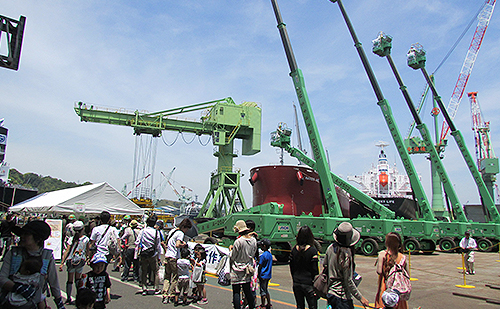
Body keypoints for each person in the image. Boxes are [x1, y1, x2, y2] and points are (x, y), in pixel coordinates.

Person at [0, 220, 66, 309]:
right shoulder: (13, 253)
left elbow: (53, 282)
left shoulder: (46, 256)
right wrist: (19, 288)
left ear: (38, 239)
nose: (22, 237)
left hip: (34, 304)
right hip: (10, 303)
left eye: (26, 234)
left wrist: (59, 304)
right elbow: (2, 278)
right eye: (22, 234)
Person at [324, 222, 369, 309]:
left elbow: (325, 264)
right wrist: (360, 297)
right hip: (342, 296)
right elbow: (348, 281)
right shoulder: (346, 255)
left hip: (331, 293)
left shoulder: (330, 248)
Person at [375, 232, 409, 309]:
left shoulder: (382, 254)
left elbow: (379, 271)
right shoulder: (403, 257)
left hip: (385, 287)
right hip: (399, 289)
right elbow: (408, 275)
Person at [162, 218, 192, 304]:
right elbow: (177, 244)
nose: (186, 231)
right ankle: (171, 295)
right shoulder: (180, 233)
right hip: (174, 257)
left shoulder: (172, 231)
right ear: (185, 227)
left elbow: (167, 242)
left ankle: (164, 294)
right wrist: (184, 245)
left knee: (167, 277)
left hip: (167, 255)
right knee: (175, 277)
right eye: (187, 229)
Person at [59, 221, 89, 305]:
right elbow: (87, 250)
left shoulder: (71, 239)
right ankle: (78, 295)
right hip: (80, 260)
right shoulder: (85, 239)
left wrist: (62, 262)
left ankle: (68, 297)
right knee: (78, 279)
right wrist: (88, 258)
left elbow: (67, 251)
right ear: (83, 229)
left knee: (70, 280)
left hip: (71, 261)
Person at [230, 220, 257, 309]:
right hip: (247, 268)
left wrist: (231, 250)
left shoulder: (238, 241)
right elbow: (253, 253)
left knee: (236, 292)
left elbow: (233, 256)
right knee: (247, 291)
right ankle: (252, 307)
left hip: (237, 268)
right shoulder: (253, 240)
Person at [290, 225, 319, 309]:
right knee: (312, 306)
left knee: (299, 306)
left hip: (296, 282)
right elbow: (315, 270)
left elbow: (292, 267)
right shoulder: (312, 251)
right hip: (309, 283)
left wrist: (295, 278)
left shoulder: (294, 250)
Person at [136, 215, 162, 296]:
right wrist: (159, 256)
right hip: (152, 254)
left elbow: (137, 241)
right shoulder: (156, 232)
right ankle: (156, 287)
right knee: (156, 271)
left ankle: (144, 287)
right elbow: (158, 245)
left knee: (144, 271)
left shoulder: (143, 231)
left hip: (144, 253)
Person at [258, 238, 272, 309]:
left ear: (264, 246)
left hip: (263, 275)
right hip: (268, 275)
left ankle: (263, 304)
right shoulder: (270, 255)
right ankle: (269, 303)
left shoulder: (263, 256)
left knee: (262, 291)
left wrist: (258, 272)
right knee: (266, 289)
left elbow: (260, 265)